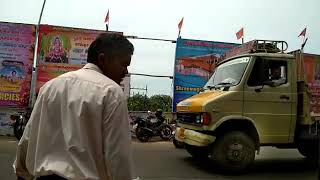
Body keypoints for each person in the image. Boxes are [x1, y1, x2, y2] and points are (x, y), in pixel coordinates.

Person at [14, 33, 135, 180]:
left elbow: (29, 137)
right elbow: (118, 156)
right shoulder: (111, 92)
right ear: (103, 59)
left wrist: (22, 173)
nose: (126, 72)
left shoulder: (50, 86)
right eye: (124, 64)